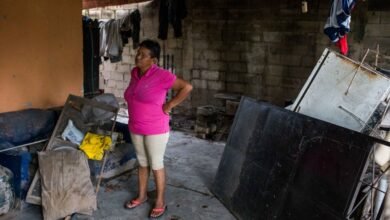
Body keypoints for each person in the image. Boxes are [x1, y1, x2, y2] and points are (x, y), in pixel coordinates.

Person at [123, 39, 192, 218]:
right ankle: (142, 195)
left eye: (143, 55)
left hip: (156, 128)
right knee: (142, 162)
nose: (138, 57)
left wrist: (169, 105)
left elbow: (186, 87)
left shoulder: (162, 75)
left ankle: (160, 200)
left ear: (153, 60)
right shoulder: (135, 73)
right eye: (138, 53)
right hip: (135, 125)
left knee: (155, 163)